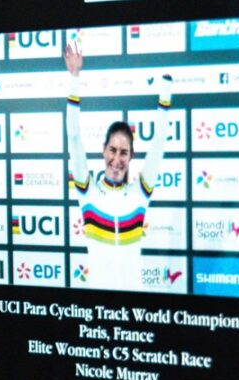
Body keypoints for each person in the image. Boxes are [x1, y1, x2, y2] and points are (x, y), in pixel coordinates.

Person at [63, 39, 175, 291]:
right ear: (103, 151)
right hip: (96, 304)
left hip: (133, 305)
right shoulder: (87, 190)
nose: (117, 159)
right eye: (112, 150)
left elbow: (159, 143)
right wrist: (74, 77)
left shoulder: (139, 192)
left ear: (131, 156)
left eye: (124, 152)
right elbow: (73, 136)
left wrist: (165, 95)